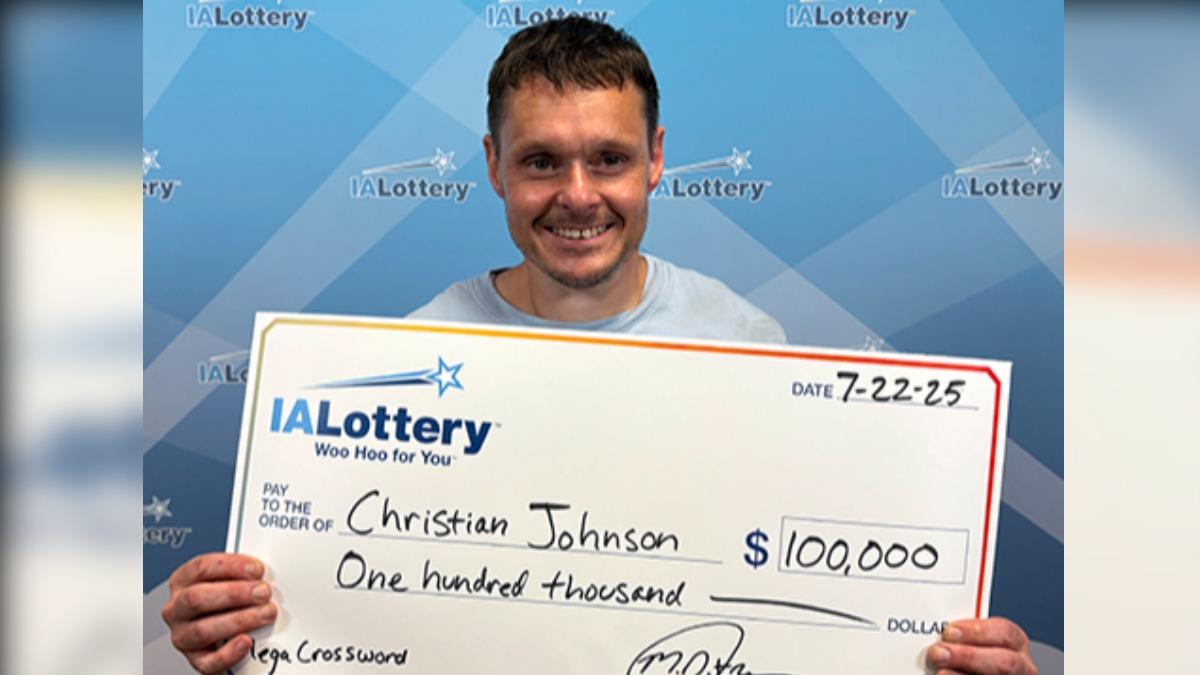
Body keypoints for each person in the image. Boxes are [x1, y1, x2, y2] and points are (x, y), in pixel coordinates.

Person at [161, 18, 1037, 675]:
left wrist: (942, 651)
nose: (578, 196)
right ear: (494, 165)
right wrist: (233, 623)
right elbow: (328, 609)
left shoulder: (745, 344)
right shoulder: (408, 360)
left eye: (609, 159)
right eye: (541, 161)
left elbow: (814, 603)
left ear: (656, 159)